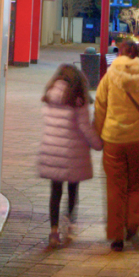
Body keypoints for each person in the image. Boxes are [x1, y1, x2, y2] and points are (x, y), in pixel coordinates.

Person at [94, 37, 139, 251]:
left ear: (119, 53)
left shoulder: (110, 75)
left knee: (115, 187)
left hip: (113, 138)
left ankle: (116, 236)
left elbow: (100, 104)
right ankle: (133, 229)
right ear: (138, 55)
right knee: (138, 185)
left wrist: (99, 132)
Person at [37, 63, 103, 247]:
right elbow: (84, 127)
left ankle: (53, 231)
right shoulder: (77, 98)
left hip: (52, 150)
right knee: (73, 190)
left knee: (55, 192)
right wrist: (98, 144)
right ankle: (70, 224)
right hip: (73, 153)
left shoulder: (50, 94)